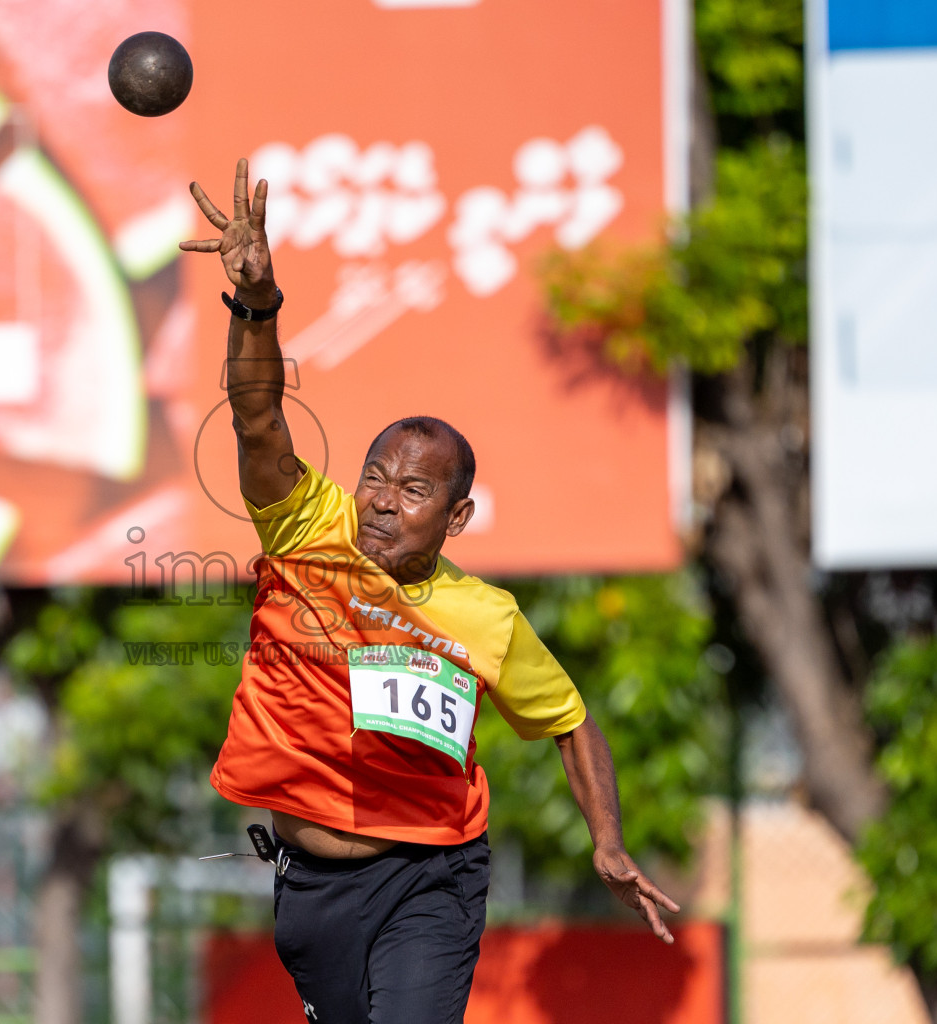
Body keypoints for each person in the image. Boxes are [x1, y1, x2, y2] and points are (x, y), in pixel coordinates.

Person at [180, 159, 681, 1024]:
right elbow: (257, 418)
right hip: (313, 890)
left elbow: (569, 720)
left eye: (414, 492)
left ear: (456, 517)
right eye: (377, 476)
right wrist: (256, 303)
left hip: (433, 877)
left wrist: (609, 841)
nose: (382, 498)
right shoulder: (307, 528)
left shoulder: (486, 616)